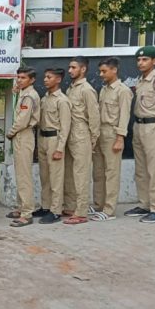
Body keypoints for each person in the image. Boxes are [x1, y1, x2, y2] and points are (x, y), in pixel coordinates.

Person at [124, 46, 155, 223]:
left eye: (145, 59)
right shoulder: (141, 81)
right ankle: (144, 204)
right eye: (138, 60)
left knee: (154, 170)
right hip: (139, 126)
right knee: (141, 170)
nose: (140, 62)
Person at [90, 57, 132, 222]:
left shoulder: (123, 91)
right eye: (100, 71)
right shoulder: (104, 89)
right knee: (98, 172)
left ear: (114, 70)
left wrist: (120, 138)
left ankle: (109, 210)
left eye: (104, 71)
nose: (101, 74)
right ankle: (99, 205)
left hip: (113, 133)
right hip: (100, 133)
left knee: (111, 173)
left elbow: (124, 116)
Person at [62, 56, 100, 225]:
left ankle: (81, 212)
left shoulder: (87, 90)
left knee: (80, 175)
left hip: (81, 134)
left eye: (73, 67)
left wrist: (92, 140)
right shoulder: (71, 88)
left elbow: (94, 117)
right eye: (70, 67)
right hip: (69, 133)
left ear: (83, 69)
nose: (70, 70)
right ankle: (71, 207)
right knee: (70, 173)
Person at [33, 68, 72, 224]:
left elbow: (65, 127)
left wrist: (59, 148)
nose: (45, 80)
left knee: (56, 177)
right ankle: (46, 206)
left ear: (58, 79)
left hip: (54, 140)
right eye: (45, 76)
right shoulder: (44, 99)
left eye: (49, 77)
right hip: (43, 139)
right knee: (45, 177)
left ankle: (55, 210)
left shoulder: (62, 100)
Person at [6, 67, 41, 227]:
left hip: (23, 134)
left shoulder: (29, 96)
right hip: (21, 135)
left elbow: (22, 120)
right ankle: (21, 207)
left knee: (24, 176)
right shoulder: (22, 93)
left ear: (32, 80)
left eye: (23, 78)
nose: (19, 80)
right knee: (20, 173)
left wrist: (10, 132)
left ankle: (27, 213)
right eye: (18, 77)